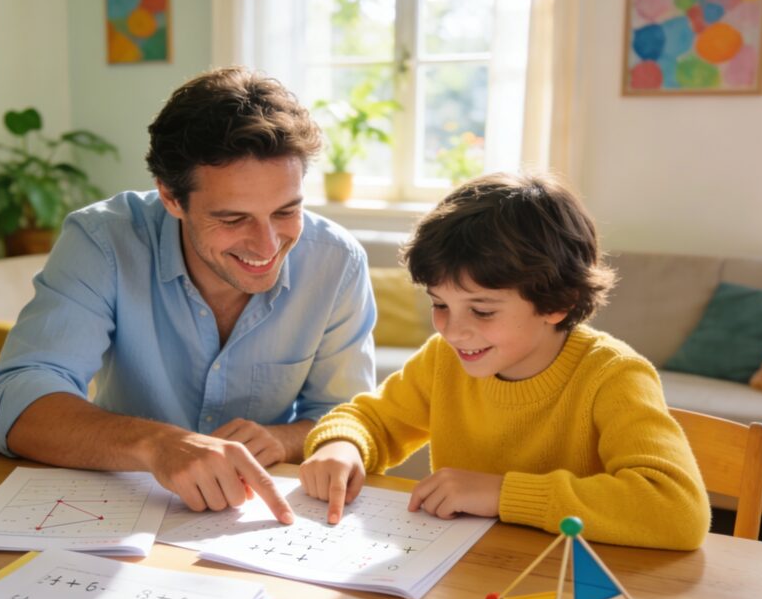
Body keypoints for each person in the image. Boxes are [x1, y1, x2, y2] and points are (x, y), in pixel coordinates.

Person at [0, 66, 377, 524]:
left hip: (257, 525)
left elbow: (346, 414)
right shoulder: (102, 241)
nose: (267, 247)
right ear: (170, 197)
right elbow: (10, 400)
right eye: (233, 219)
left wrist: (282, 439)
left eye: (286, 211)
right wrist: (157, 445)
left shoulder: (337, 261)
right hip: (114, 510)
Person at [299, 172, 710, 550]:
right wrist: (343, 444)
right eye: (440, 304)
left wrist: (502, 494)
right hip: (464, 571)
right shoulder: (444, 359)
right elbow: (373, 421)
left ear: (557, 303)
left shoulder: (614, 376)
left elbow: (678, 511)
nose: (452, 330)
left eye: (482, 311)